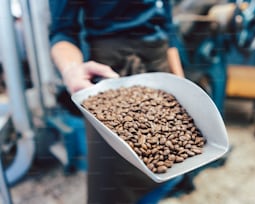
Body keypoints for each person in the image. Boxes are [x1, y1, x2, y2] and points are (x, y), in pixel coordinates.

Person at [48, 0, 185, 203]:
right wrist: (71, 71)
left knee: (170, 164)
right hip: (110, 75)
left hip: (159, 67)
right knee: (112, 181)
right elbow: (63, 32)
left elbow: (168, 27)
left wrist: (180, 83)